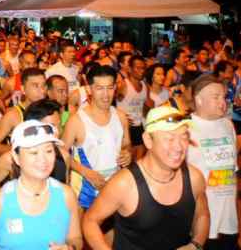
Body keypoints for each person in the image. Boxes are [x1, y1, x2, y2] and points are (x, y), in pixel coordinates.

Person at [83, 105, 210, 250]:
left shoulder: (194, 178)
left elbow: (202, 214)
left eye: (184, 137)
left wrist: (195, 245)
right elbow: (90, 221)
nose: (179, 147)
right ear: (148, 140)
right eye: (169, 138)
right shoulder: (124, 184)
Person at [0, 120, 83, 250]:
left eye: (49, 151)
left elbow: (76, 238)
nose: (43, 159)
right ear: (16, 158)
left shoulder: (66, 195)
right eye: (34, 152)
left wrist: (70, 248)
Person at [63, 65, 132, 213]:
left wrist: (127, 152)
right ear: (89, 89)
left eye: (110, 88)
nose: (106, 94)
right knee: (81, 234)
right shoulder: (76, 121)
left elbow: (126, 143)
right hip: (84, 190)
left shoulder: (120, 116)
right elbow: (61, 154)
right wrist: (86, 172)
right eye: (99, 88)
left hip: (114, 188)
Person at [187, 74, 241, 250]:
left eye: (224, 97)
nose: (223, 102)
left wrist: (234, 203)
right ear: (199, 100)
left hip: (228, 217)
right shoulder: (185, 128)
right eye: (216, 97)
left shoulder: (228, 125)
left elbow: (233, 171)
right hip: (200, 219)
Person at [0, 99, 70, 194]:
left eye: (59, 126)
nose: (57, 131)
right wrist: (0, 207)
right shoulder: (9, 160)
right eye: (51, 127)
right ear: (32, 126)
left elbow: (64, 191)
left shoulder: (64, 156)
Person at [0, 68, 47, 157]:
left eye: (43, 86)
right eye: (35, 86)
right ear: (23, 89)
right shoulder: (13, 115)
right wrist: (22, 150)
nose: (41, 90)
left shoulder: (49, 111)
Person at [116, 55, 148, 158]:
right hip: (126, 127)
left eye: (143, 68)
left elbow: (144, 107)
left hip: (139, 126)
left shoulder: (144, 85)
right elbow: (109, 103)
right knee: (128, 159)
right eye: (138, 68)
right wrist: (120, 117)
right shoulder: (123, 85)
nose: (141, 71)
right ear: (129, 69)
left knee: (140, 159)